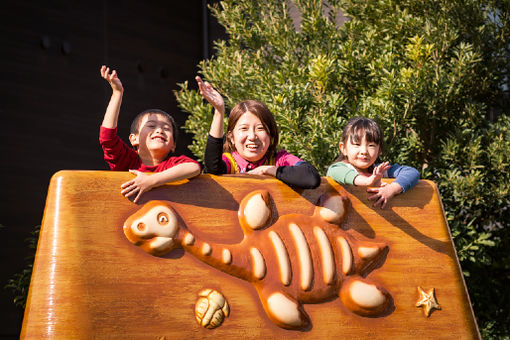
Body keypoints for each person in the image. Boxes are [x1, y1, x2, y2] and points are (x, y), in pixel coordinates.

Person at [196, 76, 320, 189]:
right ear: (231, 137)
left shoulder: (279, 160)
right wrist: (219, 111)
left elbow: (311, 178)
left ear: (270, 135)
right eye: (244, 129)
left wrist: (269, 170)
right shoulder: (230, 163)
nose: (252, 136)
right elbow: (213, 168)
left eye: (260, 128)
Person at [99, 65, 201, 203]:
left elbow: (194, 167)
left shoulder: (171, 165)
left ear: (173, 145)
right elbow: (107, 138)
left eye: (166, 128)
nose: (159, 130)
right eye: (151, 126)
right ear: (134, 139)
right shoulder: (127, 162)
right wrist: (117, 93)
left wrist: (151, 180)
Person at [326, 117, 419, 208]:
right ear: (343, 148)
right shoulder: (341, 168)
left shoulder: (380, 170)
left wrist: (392, 189)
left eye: (371, 145)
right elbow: (335, 171)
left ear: (379, 150)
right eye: (357, 144)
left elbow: (411, 172)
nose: (364, 151)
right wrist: (367, 181)